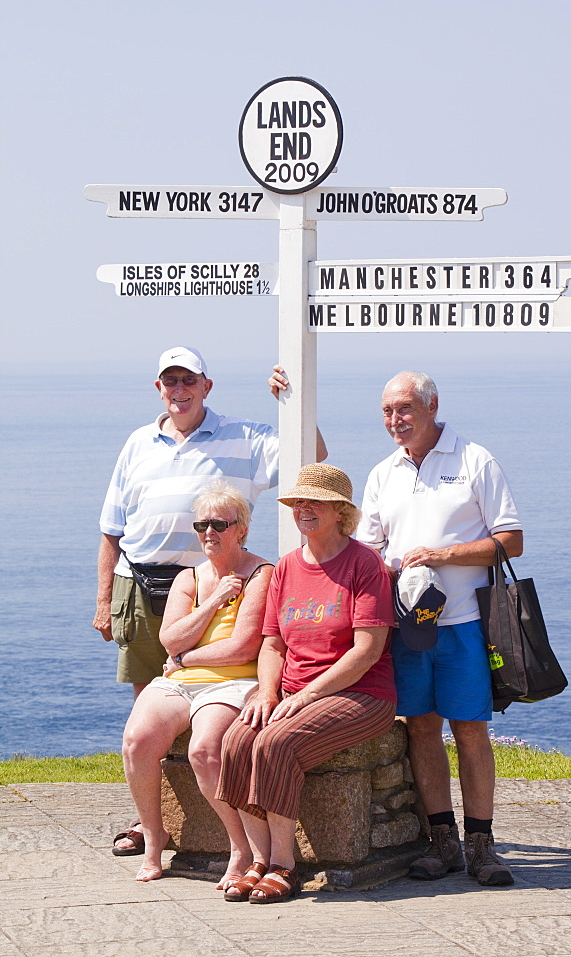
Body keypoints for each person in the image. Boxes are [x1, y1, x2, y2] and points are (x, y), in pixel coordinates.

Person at [96, 346, 326, 856]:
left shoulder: (244, 435)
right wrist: (104, 597)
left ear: (206, 386)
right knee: (149, 708)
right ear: (159, 388)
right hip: (142, 581)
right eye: (169, 382)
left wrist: (290, 403)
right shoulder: (139, 442)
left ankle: (208, 825)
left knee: (197, 697)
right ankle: (149, 820)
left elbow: (312, 458)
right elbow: (112, 529)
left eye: (188, 381)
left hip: (215, 579)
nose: (178, 391)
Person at [357, 371, 523, 887]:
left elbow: (511, 540)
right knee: (422, 727)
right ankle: (442, 841)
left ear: (432, 406)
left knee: (470, 730)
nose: (395, 421)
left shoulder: (475, 460)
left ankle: (483, 844)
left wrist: (443, 555)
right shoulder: (383, 472)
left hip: (464, 623)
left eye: (404, 409)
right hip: (409, 626)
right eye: (387, 411)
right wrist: (386, 566)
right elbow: (369, 547)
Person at [215, 464, 396, 903]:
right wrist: (267, 692)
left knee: (276, 743)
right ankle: (259, 860)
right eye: (298, 501)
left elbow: (366, 651)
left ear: (339, 511)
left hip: (361, 694)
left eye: (314, 501)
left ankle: (284, 866)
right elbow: (272, 644)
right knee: (237, 740)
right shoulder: (286, 568)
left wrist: (310, 695)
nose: (303, 509)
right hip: (293, 692)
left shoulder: (364, 564)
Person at [121, 481, 273, 881]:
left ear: (241, 528)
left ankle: (240, 849)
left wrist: (184, 656)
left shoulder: (261, 573)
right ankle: (154, 837)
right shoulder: (190, 577)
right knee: (137, 741)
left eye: (220, 525)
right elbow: (168, 637)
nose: (209, 532)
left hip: (233, 682)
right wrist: (212, 601)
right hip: (181, 681)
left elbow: (242, 647)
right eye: (202, 524)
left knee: (205, 751)